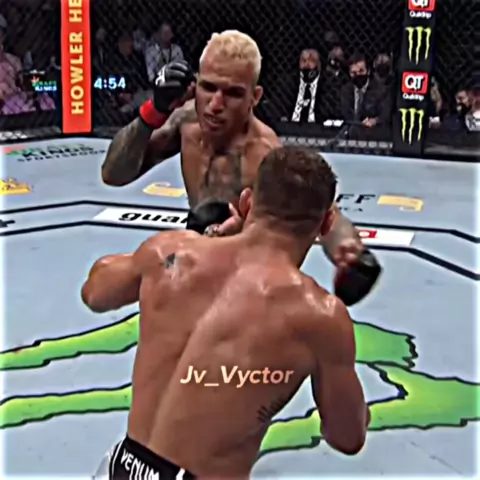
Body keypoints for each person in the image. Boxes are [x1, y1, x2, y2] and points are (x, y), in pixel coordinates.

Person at [85, 146, 370, 479]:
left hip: (124, 466)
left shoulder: (170, 253)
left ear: (247, 202)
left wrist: (209, 239)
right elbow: (347, 437)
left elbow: (94, 292)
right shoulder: (319, 315)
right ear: (326, 223)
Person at [101, 30, 365, 278]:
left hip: (245, 276)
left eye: (232, 93)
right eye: (208, 87)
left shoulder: (264, 153)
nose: (215, 105)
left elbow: (323, 210)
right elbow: (113, 174)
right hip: (195, 262)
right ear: (194, 86)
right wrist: (154, 110)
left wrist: (350, 251)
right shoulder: (185, 122)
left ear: (255, 97)